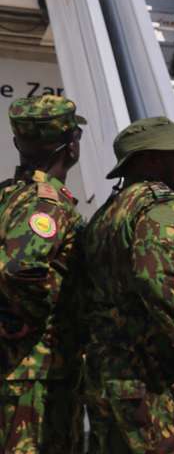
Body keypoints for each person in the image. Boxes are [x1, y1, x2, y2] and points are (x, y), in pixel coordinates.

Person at [80, 116, 174, 452]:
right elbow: (157, 276)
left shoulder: (106, 214)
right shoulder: (164, 207)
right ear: (152, 160)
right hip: (157, 377)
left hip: (107, 375)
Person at [0, 96, 85, 453]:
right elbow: (21, 270)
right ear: (72, 147)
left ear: (18, 143)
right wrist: (18, 318)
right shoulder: (45, 203)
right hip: (36, 373)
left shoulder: (7, 196)